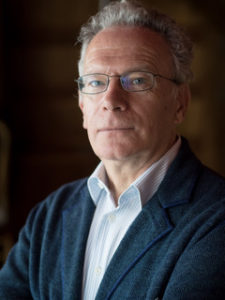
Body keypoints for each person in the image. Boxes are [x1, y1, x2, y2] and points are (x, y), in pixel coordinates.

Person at [1, 0, 225, 299]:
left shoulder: (216, 219)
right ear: (83, 107)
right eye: (95, 82)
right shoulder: (50, 215)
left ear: (179, 103)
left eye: (137, 80)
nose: (111, 99)